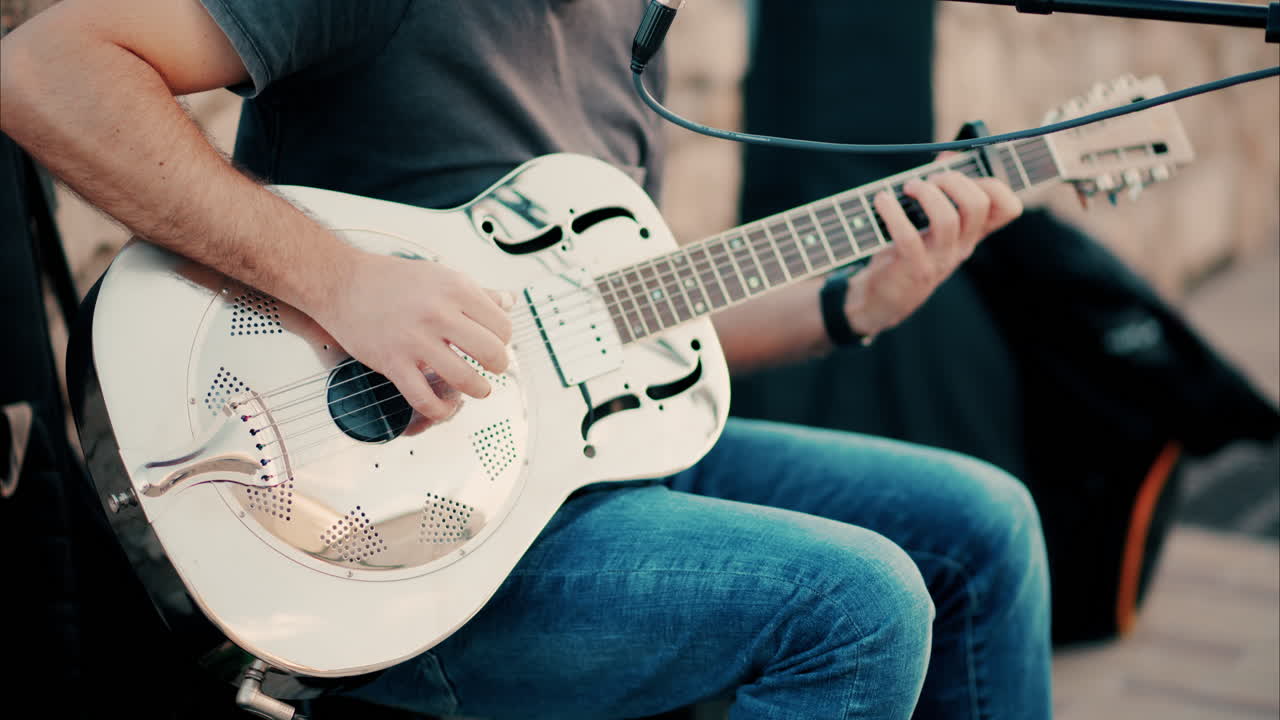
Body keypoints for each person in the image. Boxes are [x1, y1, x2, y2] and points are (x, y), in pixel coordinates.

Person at [0, 1, 1051, 718]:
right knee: (854, 601)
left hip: (578, 467)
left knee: (982, 523)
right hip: (401, 535)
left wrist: (854, 304)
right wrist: (340, 282)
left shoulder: (625, 29)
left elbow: (601, 330)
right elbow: (43, 69)